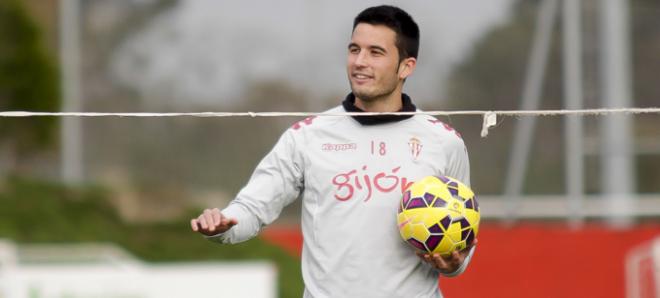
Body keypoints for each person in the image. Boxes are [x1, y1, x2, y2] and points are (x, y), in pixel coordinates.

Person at [191, 5, 476, 298]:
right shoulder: (307, 136)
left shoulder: (444, 142)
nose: (359, 62)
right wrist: (222, 226)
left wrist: (454, 264)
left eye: (375, 53)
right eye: (354, 50)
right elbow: (251, 208)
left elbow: (464, 236)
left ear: (406, 66)